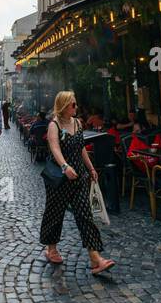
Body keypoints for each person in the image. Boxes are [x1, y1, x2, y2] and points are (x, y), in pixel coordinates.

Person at [40, 90, 115, 275]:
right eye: (73, 104)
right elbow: (55, 149)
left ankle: (95, 259)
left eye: (76, 103)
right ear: (64, 106)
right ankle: (51, 249)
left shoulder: (78, 123)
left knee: (85, 215)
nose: (76, 107)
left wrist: (90, 168)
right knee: (54, 213)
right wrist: (65, 166)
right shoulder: (54, 125)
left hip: (79, 177)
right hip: (60, 177)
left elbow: (81, 148)